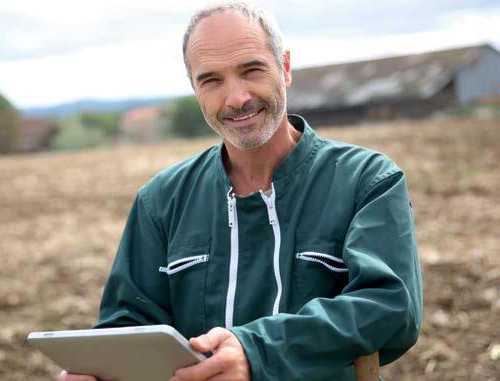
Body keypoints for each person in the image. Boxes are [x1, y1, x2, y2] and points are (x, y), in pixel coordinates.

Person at [58, 1, 423, 380]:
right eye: (211, 80)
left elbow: (390, 306)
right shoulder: (161, 200)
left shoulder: (367, 180)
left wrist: (255, 351)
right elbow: (129, 323)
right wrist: (100, 370)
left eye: (251, 70)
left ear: (284, 67)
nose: (235, 98)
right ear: (195, 88)